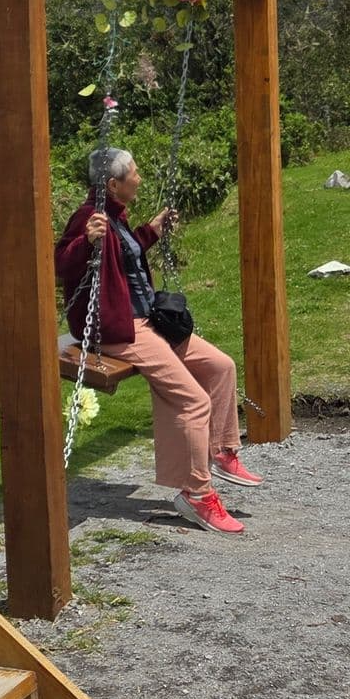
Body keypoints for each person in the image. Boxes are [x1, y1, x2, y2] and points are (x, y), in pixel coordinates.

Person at [55, 147, 262, 535]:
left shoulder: (116, 217)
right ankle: (197, 495)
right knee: (192, 400)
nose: (140, 177)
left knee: (221, 367)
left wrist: (151, 232)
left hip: (147, 320)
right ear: (114, 185)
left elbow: (125, 259)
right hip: (120, 330)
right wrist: (84, 241)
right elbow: (61, 262)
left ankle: (219, 450)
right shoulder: (89, 217)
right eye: (134, 172)